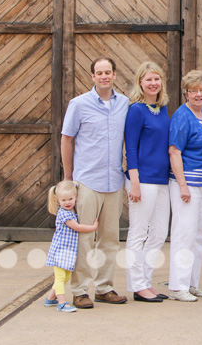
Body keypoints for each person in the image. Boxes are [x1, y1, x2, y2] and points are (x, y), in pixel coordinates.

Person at [61, 57, 129, 309]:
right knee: (84, 238)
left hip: (113, 181)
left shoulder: (124, 103)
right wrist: (69, 178)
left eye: (108, 72)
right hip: (87, 181)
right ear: (92, 76)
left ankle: (104, 287)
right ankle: (79, 290)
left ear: (114, 75)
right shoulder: (78, 104)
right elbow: (66, 139)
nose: (104, 76)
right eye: (99, 73)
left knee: (110, 239)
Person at [167, 70, 202, 302]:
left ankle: (192, 283)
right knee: (184, 234)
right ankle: (178, 286)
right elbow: (174, 151)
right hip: (189, 185)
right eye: (193, 91)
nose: (198, 94)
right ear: (186, 93)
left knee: (199, 236)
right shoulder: (183, 115)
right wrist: (182, 185)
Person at [124, 62, 172, 303]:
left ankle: (146, 281)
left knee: (159, 233)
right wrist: (134, 181)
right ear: (140, 82)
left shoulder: (162, 109)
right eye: (148, 79)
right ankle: (137, 285)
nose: (153, 83)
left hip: (162, 180)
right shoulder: (136, 110)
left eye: (157, 79)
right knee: (138, 232)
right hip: (142, 180)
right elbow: (130, 148)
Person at [44, 181, 99, 313]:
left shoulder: (70, 211)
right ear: (57, 200)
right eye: (63, 200)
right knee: (60, 278)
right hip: (60, 251)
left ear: (76, 198)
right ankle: (61, 303)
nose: (67, 202)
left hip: (68, 251)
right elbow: (77, 227)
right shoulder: (64, 213)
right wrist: (93, 227)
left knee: (67, 277)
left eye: (70, 199)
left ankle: (50, 298)